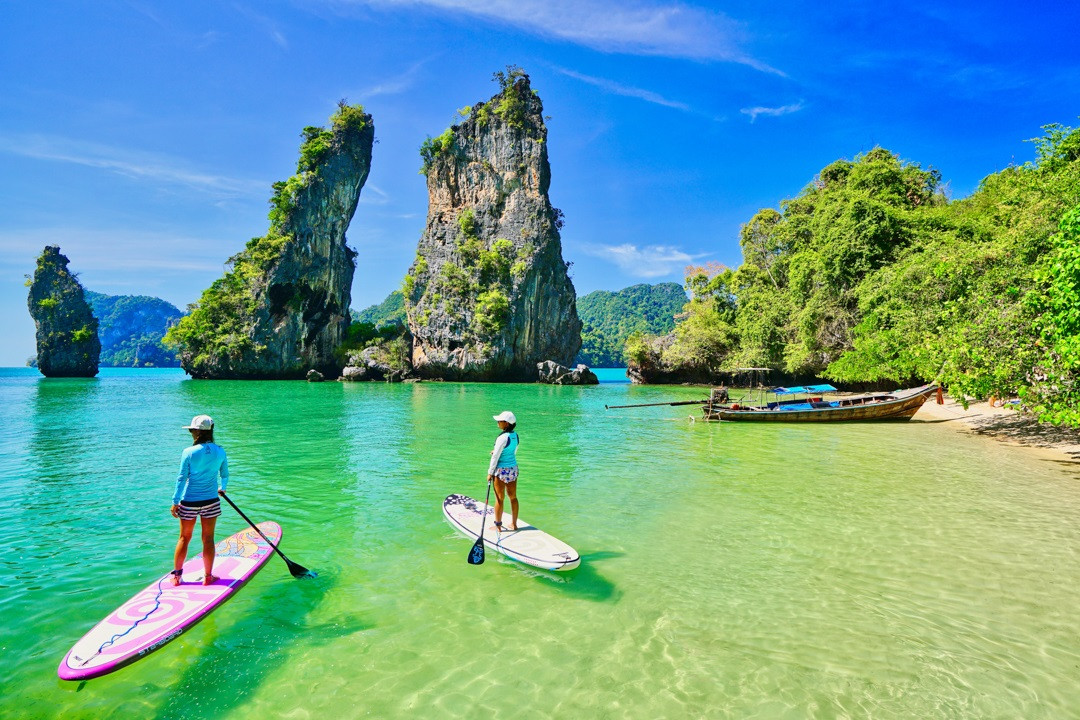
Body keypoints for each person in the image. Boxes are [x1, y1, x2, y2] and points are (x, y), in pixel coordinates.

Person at [170, 415, 228, 586]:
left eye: (191, 430)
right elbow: (224, 474)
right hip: (211, 500)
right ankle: (208, 577)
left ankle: (177, 577)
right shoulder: (220, 450)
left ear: (196, 431)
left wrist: (175, 501)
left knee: (184, 538)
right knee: (208, 538)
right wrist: (222, 488)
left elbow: (182, 478)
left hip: (189, 501)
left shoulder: (188, 452)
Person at [488, 410, 520, 532]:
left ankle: (498, 526)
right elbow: (512, 451)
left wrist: (490, 472)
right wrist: (496, 451)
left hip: (501, 471)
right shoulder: (515, 435)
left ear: (506, 423)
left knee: (499, 499)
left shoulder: (502, 437)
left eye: (499, 421)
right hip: (513, 469)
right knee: (513, 497)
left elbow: (495, 456)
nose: (498, 422)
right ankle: (514, 524)